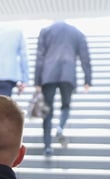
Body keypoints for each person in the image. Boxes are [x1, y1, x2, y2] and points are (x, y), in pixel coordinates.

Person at [34, 20, 92, 156]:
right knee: (66, 106)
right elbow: (85, 57)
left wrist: (37, 80)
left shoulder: (46, 31)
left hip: (48, 74)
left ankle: (47, 146)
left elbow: (40, 56)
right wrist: (87, 79)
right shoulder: (77, 32)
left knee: (47, 111)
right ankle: (60, 127)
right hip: (68, 74)